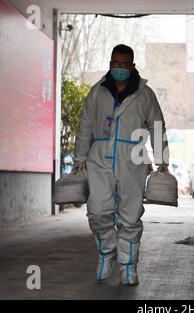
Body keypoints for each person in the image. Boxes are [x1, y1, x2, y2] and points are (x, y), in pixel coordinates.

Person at [72, 44, 169, 286]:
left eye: (123, 64)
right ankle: (106, 253)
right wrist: (80, 157)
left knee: (130, 215)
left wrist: (162, 160)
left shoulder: (145, 94)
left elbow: (156, 127)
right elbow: (85, 124)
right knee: (97, 210)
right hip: (100, 155)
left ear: (132, 66)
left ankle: (128, 266)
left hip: (133, 156)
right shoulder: (97, 91)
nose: (118, 69)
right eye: (114, 64)